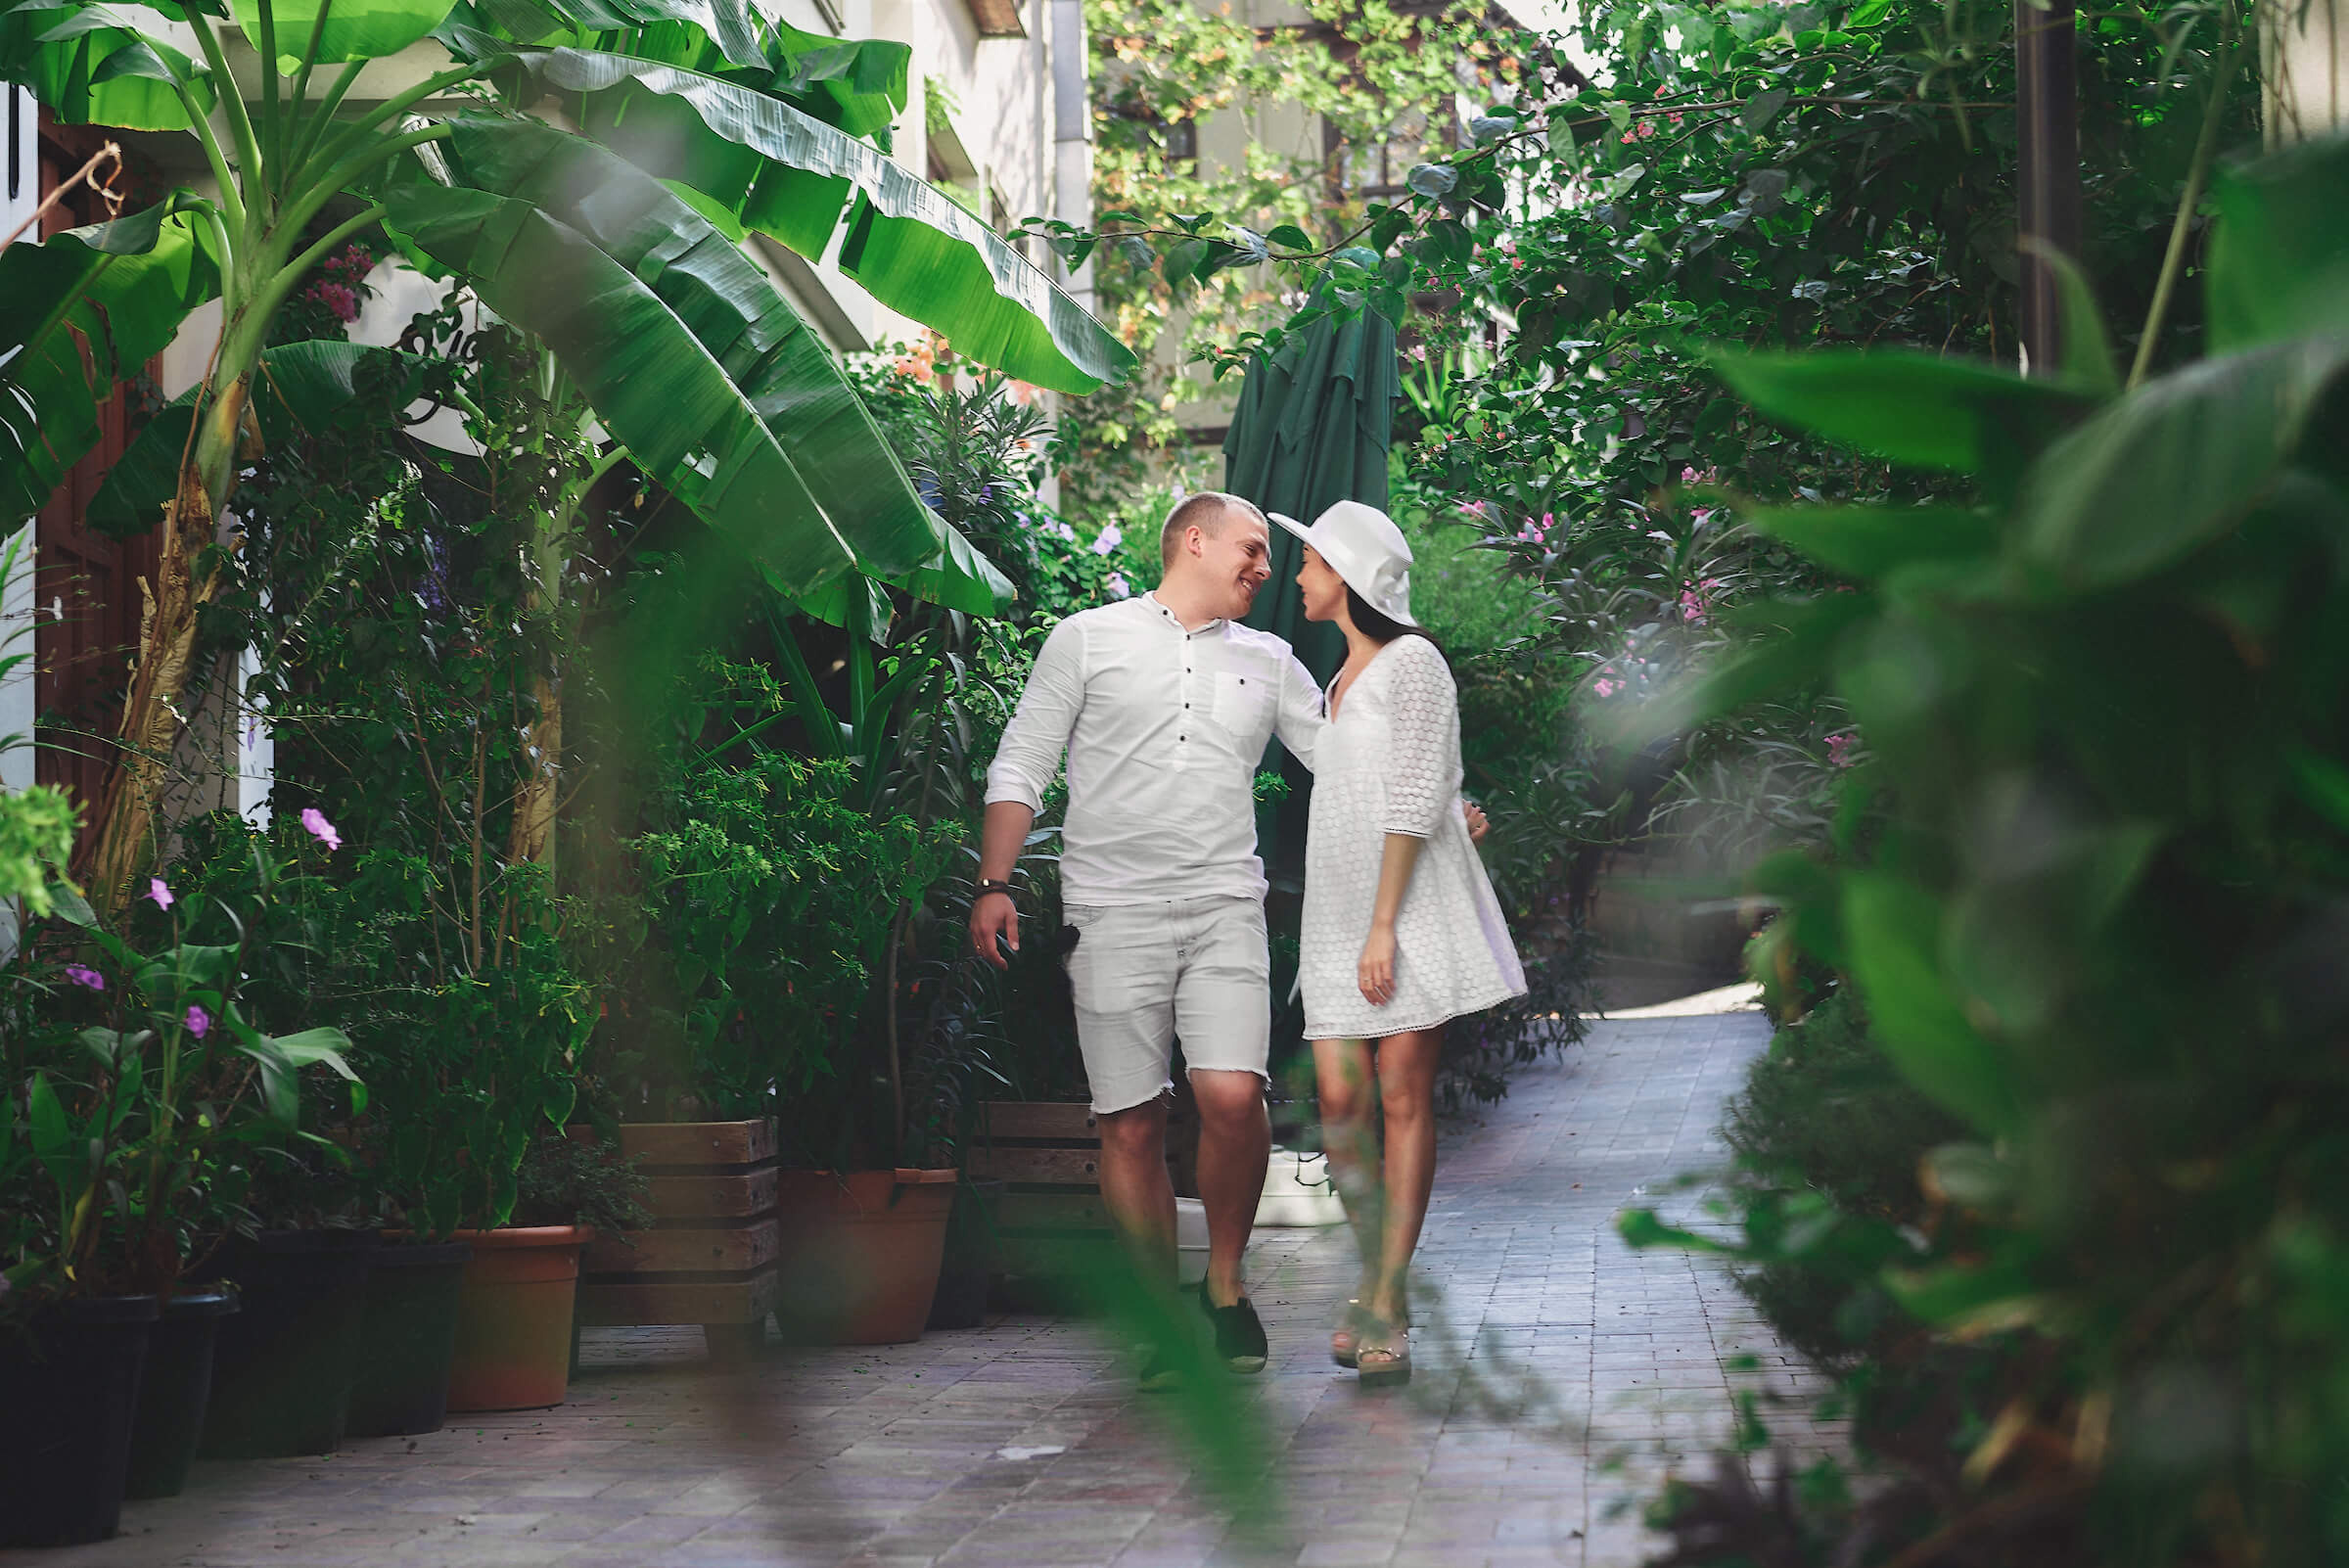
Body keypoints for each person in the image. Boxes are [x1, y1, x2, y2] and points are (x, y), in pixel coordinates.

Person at [969, 491, 1322, 1389]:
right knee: (1129, 1120)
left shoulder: (1271, 660)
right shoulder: (1088, 639)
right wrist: (995, 884)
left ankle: (1226, 1286)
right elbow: (1023, 760)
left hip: (1224, 906)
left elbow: (1343, 757)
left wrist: (1441, 800)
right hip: (1110, 911)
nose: (1266, 567)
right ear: (1194, 540)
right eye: (1252, 549)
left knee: (1232, 1095)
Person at [1274, 499, 1528, 1388]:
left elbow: (1418, 791)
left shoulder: (1415, 661)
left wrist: (1384, 924)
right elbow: (1354, 771)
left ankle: (1384, 1295)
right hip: (1337, 912)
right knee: (1341, 1104)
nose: (1298, 574)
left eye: (1310, 561)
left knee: (1401, 1094)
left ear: (1346, 574)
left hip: (1404, 910)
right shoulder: (1340, 677)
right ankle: (1380, 1277)